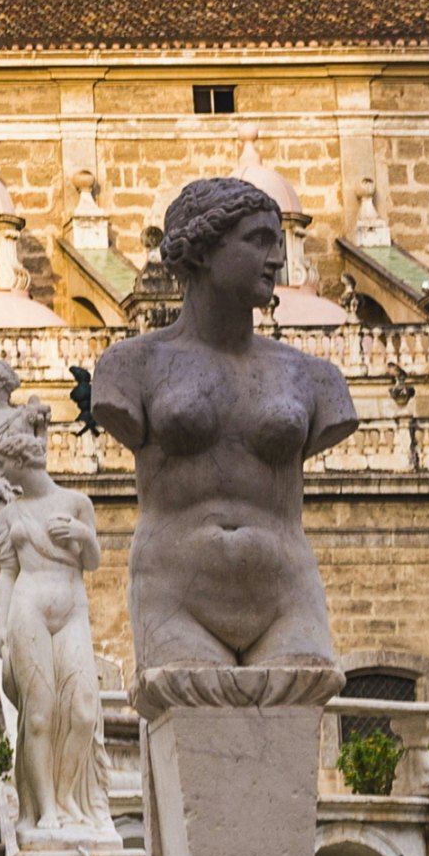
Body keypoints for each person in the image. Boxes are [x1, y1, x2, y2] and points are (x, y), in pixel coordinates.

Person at [85, 177, 361, 671]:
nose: (276, 258)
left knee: (296, 714)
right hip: (175, 597)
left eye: (278, 241)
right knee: (195, 721)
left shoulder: (314, 377)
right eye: (257, 241)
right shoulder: (131, 367)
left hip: (288, 596)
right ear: (202, 251)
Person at [0, 443, 114, 843]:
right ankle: (47, 809)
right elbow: (6, 571)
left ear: (22, 463)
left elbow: (93, 561)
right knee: (39, 715)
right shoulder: (11, 512)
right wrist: (1, 625)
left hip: (72, 609)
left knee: (85, 710)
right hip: (28, 608)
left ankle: (69, 795)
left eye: (3, 466)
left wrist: (83, 535)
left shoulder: (76, 503)